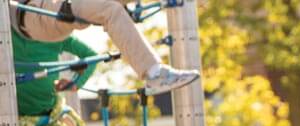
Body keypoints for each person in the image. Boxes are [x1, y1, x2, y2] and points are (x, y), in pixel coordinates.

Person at [10, 0, 199, 94]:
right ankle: (154, 73)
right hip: (37, 13)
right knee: (110, 10)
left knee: (111, 7)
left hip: (55, 8)